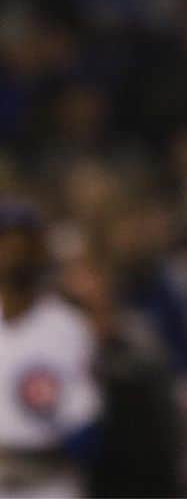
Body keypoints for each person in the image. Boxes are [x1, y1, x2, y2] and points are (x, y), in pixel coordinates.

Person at [0, 197, 102, 499]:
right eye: (6, 243)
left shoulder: (68, 328)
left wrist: (17, 460)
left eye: (22, 244)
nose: (13, 254)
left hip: (51, 489)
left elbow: (87, 435)